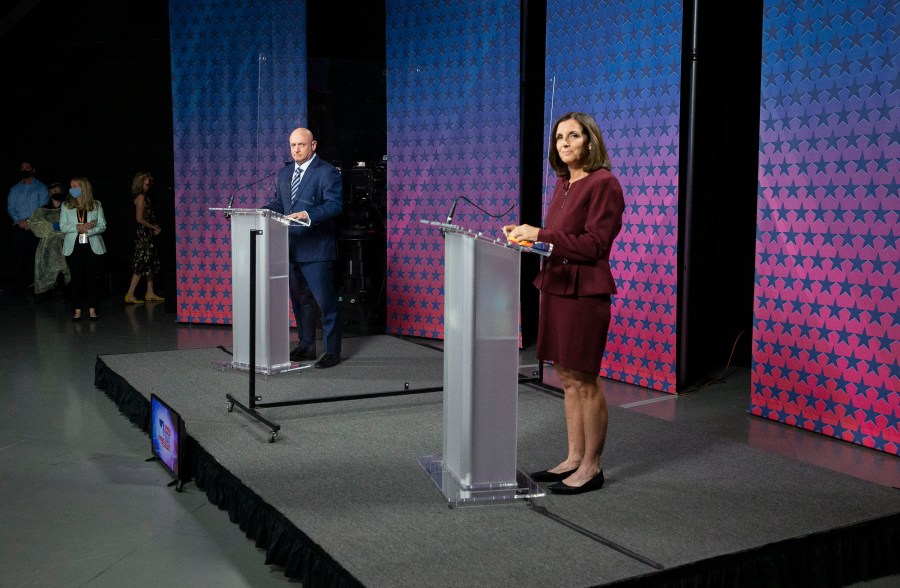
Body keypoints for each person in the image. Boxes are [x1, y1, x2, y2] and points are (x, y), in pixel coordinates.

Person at [502, 112, 624, 495]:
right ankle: (572, 458)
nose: (565, 143)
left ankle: (591, 467)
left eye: (574, 136)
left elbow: (594, 245)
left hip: (584, 293)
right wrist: (529, 240)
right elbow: (557, 240)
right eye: (558, 138)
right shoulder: (564, 183)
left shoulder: (604, 183)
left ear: (590, 141)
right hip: (555, 286)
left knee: (585, 380)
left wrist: (540, 232)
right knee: (567, 379)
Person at [262, 127, 343, 368]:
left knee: (325, 303)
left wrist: (308, 215)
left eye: (301, 145)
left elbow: (335, 206)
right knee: (301, 302)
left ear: (313, 145)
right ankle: (307, 346)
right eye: (293, 145)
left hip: (317, 250)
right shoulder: (285, 173)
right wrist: (263, 211)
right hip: (291, 248)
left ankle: (332, 352)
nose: (296, 149)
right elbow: (280, 203)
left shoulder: (327, 172)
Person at [60, 177, 107, 321]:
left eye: (75, 186)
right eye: (71, 186)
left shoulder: (96, 205)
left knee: (92, 278)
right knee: (76, 279)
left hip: (92, 247)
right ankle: (77, 310)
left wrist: (88, 230)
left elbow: (102, 225)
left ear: (83, 188)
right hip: (74, 247)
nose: (72, 188)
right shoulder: (66, 205)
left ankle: (92, 310)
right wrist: (77, 227)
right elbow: (62, 226)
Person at [7, 161, 48, 292]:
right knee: (19, 257)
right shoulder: (14, 189)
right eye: (22, 168)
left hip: (36, 227)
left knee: (37, 257)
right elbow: (10, 207)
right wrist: (20, 221)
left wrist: (29, 222)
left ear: (33, 170)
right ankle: (20, 286)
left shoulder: (41, 187)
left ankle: (39, 286)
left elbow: (43, 207)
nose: (25, 170)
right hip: (19, 228)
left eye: (27, 168)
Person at [124, 171, 164, 303]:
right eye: (147, 178)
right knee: (141, 263)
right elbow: (139, 219)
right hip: (143, 236)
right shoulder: (141, 197)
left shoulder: (146, 197)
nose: (150, 179)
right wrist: (154, 227)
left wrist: (153, 226)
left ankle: (150, 292)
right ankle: (130, 294)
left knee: (150, 262)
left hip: (148, 234)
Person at [28, 183, 70, 299]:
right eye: (53, 191)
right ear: (49, 193)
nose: (55, 193)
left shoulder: (69, 208)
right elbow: (34, 224)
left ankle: (65, 292)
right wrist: (52, 226)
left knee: (66, 269)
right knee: (47, 268)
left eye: (58, 190)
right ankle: (44, 294)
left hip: (67, 242)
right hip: (48, 245)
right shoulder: (43, 210)